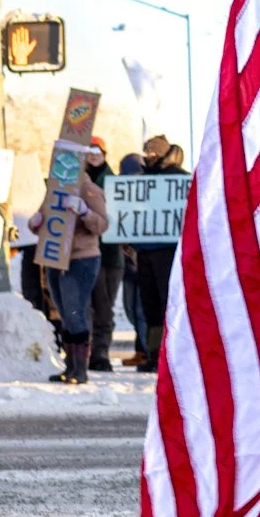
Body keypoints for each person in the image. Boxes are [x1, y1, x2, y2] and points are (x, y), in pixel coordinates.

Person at [28, 152, 109, 384]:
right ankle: (70, 367)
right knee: (63, 313)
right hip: (55, 258)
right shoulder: (53, 189)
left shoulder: (89, 190)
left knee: (75, 312)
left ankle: (81, 369)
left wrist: (84, 211)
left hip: (81, 259)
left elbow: (102, 224)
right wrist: (35, 223)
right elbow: (44, 219)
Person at [136, 135, 185, 371]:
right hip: (145, 252)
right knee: (151, 306)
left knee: (168, 304)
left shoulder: (180, 179)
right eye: (146, 154)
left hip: (169, 252)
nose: (148, 158)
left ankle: (172, 355)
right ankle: (154, 354)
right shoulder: (142, 180)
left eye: (153, 154)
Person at [85, 139, 124, 372]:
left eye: (97, 151)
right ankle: (90, 352)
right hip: (88, 253)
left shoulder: (116, 183)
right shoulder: (79, 182)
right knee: (89, 305)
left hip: (110, 255)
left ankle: (100, 353)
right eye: (89, 151)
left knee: (104, 306)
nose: (93, 155)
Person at [119, 151, 149, 368]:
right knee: (130, 310)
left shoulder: (150, 199)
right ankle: (141, 350)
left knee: (142, 310)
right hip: (127, 264)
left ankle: (148, 351)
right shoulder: (120, 199)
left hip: (146, 262)